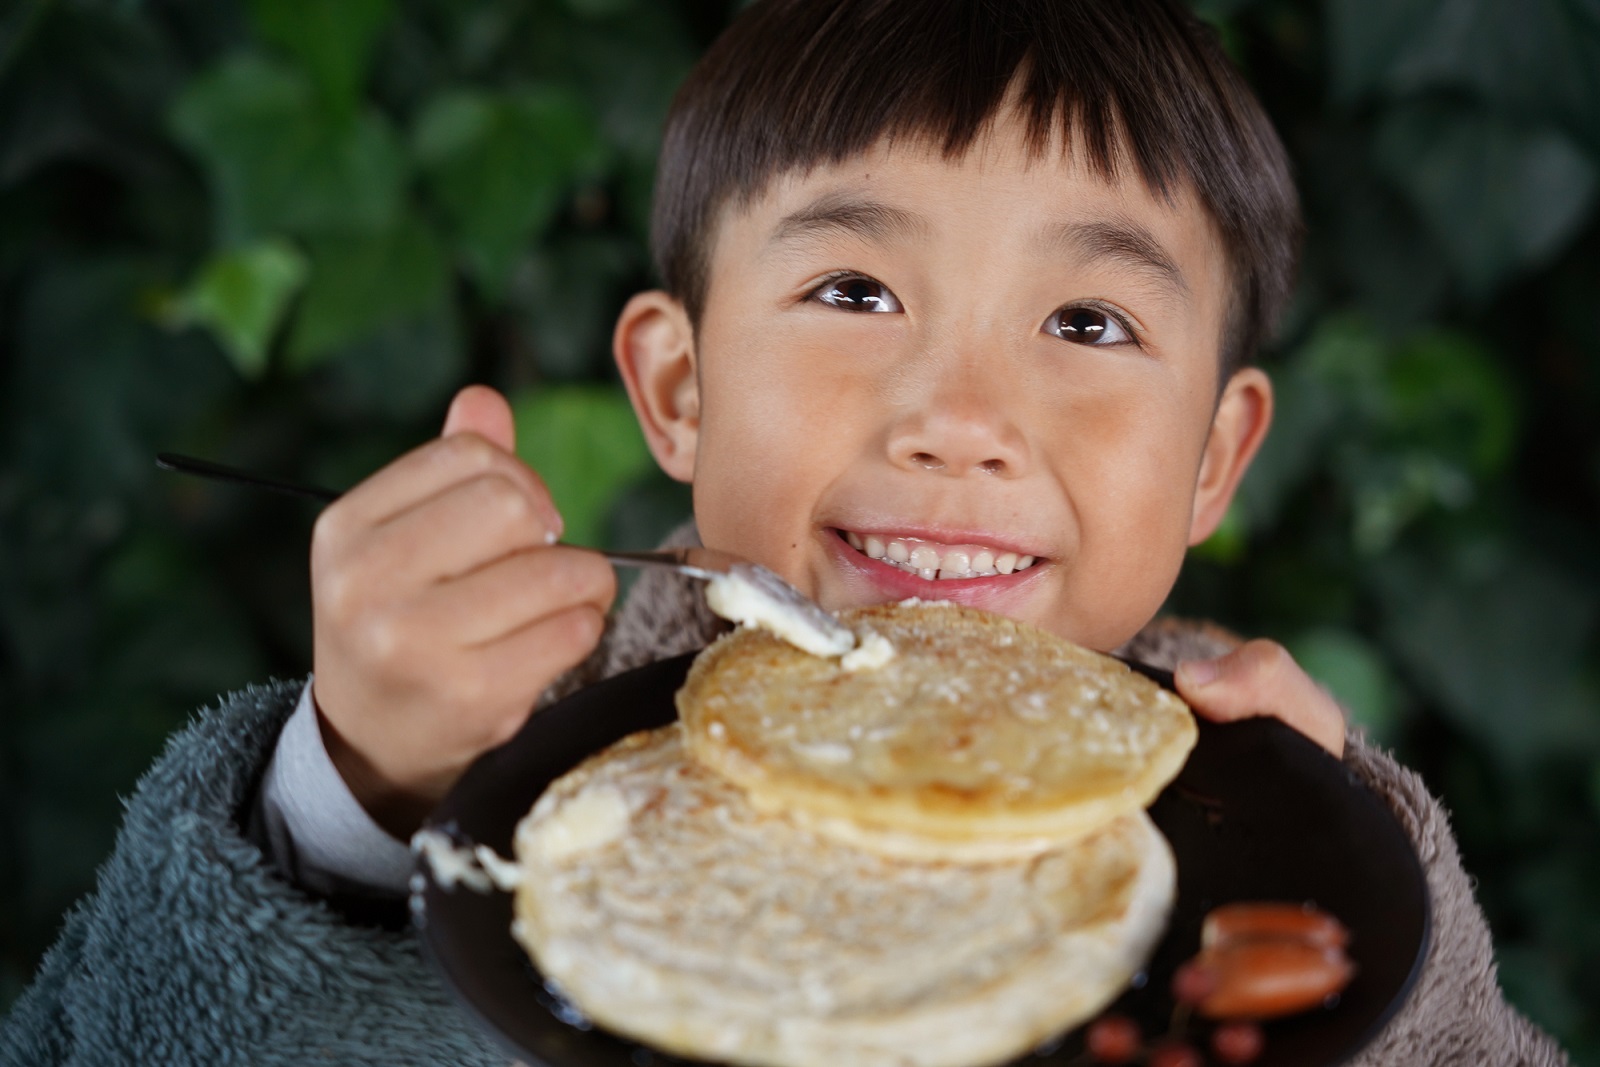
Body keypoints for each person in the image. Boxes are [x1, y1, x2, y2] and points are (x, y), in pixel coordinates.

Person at [0, 1, 1566, 1064]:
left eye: (1088, 319)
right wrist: (350, 808)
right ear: (678, 388)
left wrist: (1378, 930)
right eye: (855, 294)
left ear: (1217, 458)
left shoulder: (1253, 817)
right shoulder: (507, 762)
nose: (960, 415)